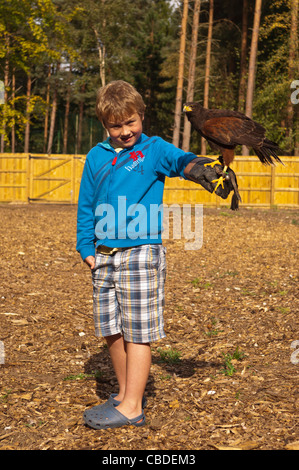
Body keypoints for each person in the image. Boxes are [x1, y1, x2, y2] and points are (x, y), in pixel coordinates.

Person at [76, 80, 233, 430]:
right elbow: (86, 204)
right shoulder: (96, 156)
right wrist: (85, 248)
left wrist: (201, 169)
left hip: (141, 252)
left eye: (130, 122)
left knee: (137, 331)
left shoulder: (153, 149)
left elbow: (181, 161)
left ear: (140, 116)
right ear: (106, 125)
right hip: (103, 254)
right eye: (116, 125)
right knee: (111, 330)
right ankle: (126, 394)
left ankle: (132, 407)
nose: (125, 131)